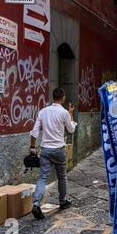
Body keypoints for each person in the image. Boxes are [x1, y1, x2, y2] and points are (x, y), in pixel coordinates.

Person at [29, 88, 78, 220]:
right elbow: (71, 129)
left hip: (45, 149)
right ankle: (62, 201)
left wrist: (33, 147)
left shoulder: (43, 112)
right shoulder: (64, 113)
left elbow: (34, 131)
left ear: (53, 97)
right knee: (62, 177)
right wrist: (70, 114)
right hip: (59, 149)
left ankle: (36, 204)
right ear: (62, 98)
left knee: (43, 177)